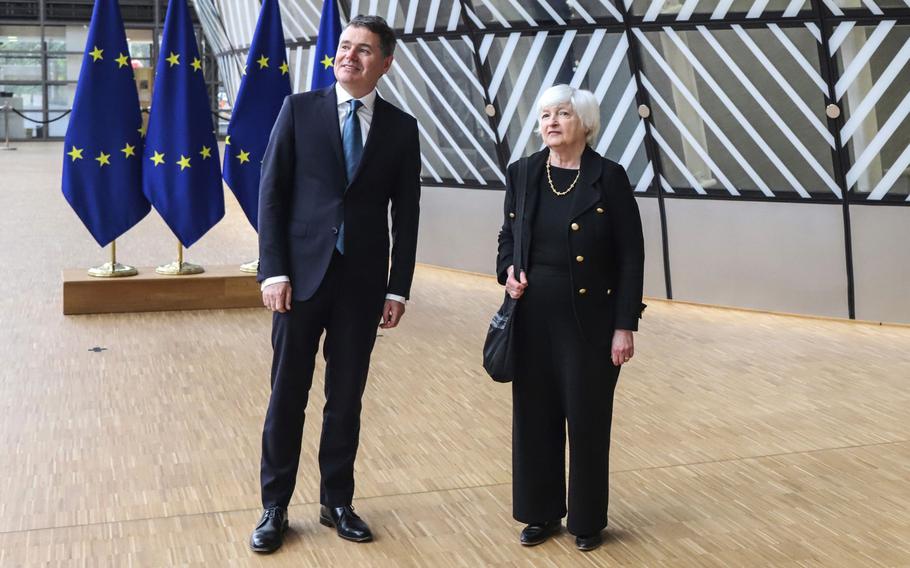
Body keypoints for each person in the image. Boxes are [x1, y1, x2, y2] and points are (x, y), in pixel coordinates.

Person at [250, 15, 420, 553]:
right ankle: (274, 506)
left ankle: (337, 501)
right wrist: (272, 270)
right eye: (345, 46)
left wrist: (398, 289)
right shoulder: (298, 111)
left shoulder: (400, 128)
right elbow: (271, 194)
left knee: (346, 398)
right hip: (299, 280)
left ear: (385, 63)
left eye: (364, 50)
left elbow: (408, 216)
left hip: (362, 285)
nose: (350, 55)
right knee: (287, 396)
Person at [496, 84, 644, 552]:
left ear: (585, 122)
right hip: (532, 316)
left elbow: (631, 256)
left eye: (562, 114)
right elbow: (507, 235)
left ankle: (586, 519)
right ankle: (540, 513)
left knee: (587, 419)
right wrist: (507, 271)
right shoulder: (521, 173)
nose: (551, 122)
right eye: (544, 115)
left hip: (590, 323)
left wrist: (625, 325)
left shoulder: (609, 177)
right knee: (534, 418)